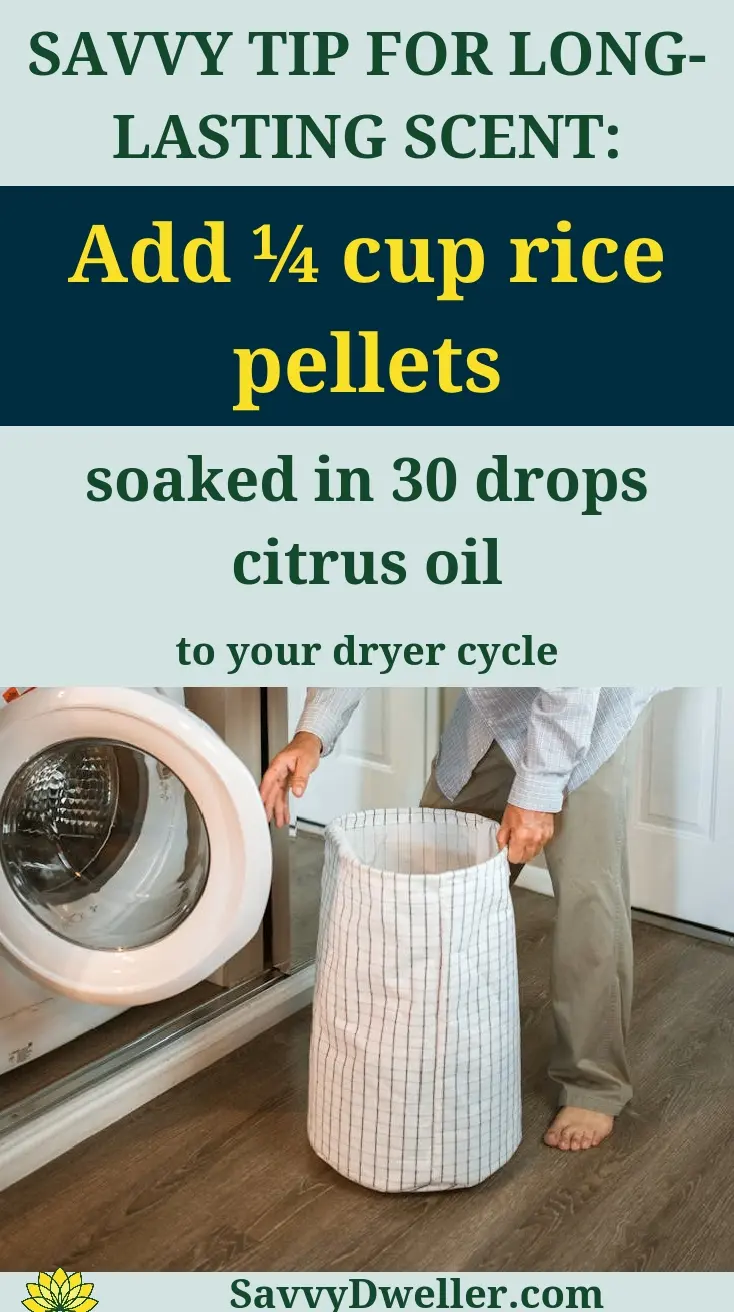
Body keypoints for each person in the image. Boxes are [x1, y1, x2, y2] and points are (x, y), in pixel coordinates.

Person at [260, 687, 661, 1153]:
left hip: (587, 700)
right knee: (432, 874)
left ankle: (593, 1083)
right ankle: (424, 1045)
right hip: (500, 694)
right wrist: (312, 733)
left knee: (588, 894)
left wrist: (537, 790)